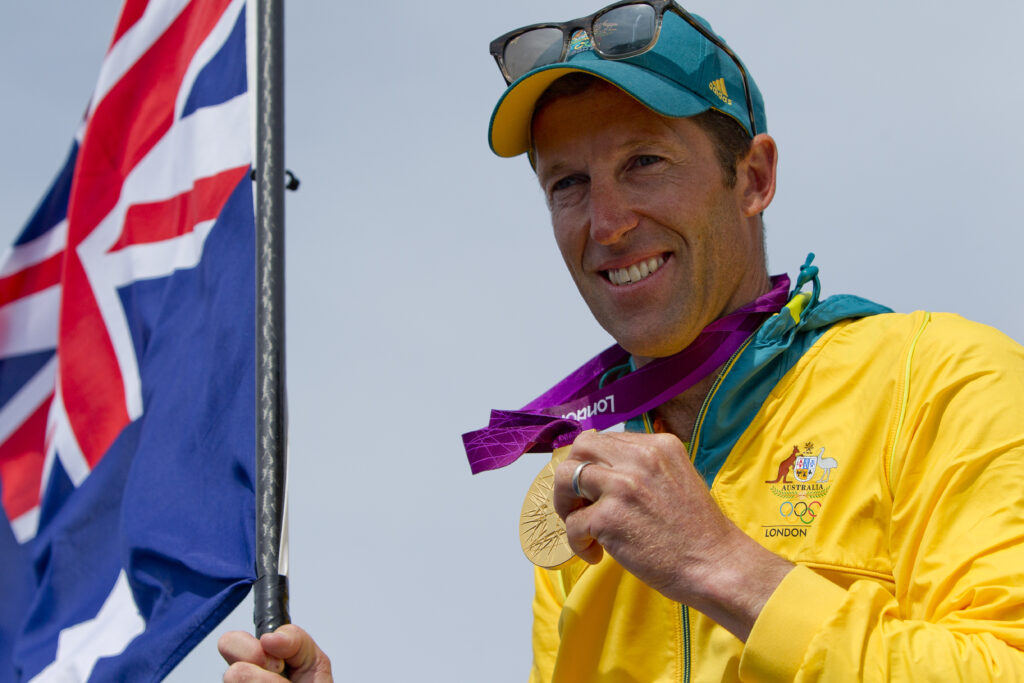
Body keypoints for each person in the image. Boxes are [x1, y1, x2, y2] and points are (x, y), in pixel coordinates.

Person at [221, 2, 1024, 680]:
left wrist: (720, 564)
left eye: (644, 162)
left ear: (753, 178)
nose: (606, 225)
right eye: (569, 183)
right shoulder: (586, 487)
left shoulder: (943, 378)